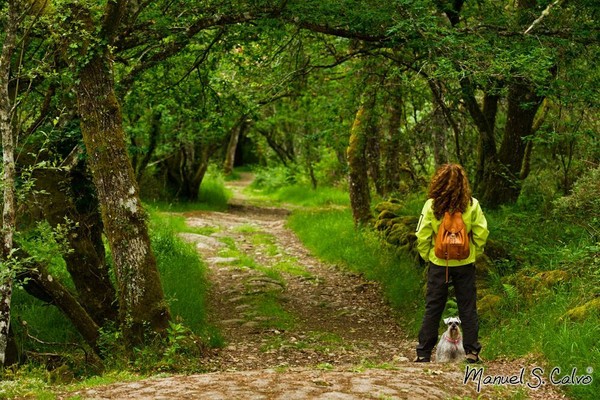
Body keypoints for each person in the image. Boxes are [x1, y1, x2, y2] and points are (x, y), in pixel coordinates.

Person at [414, 163, 489, 363]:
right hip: (465, 264)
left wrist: (428, 256)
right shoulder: (472, 205)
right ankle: (472, 352)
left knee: (433, 306)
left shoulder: (431, 205)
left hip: (439, 263)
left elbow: (422, 234)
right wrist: (474, 253)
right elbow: (481, 233)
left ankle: (423, 352)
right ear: (464, 184)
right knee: (467, 307)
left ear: (438, 183)